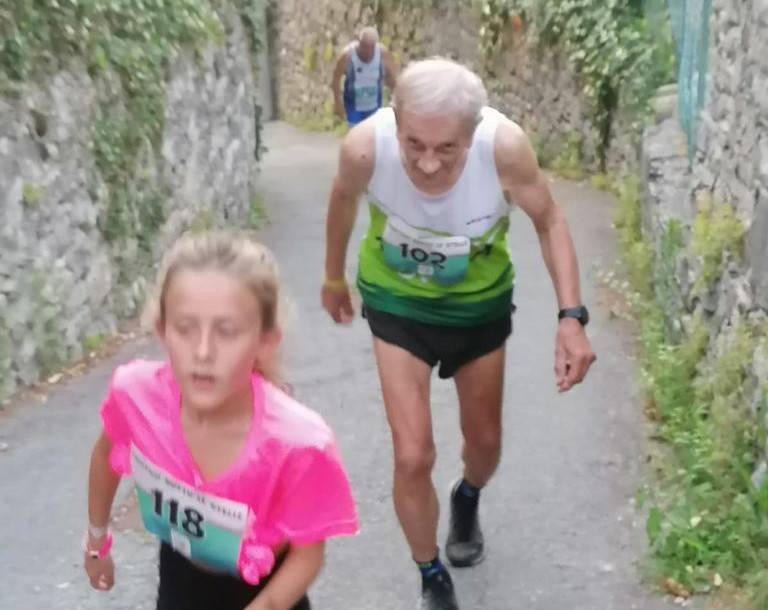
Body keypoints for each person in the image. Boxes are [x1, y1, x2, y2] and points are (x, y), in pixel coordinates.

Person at [321, 58, 596, 609]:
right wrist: (333, 276)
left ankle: (467, 494)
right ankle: (431, 574)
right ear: (395, 119)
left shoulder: (504, 148)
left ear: (473, 131)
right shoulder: (365, 148)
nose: (427, 163)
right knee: (412, 455)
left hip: (477, 309)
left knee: (485, 443)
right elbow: (343, 200)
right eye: (414, 144)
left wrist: (571, 317)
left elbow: (549, 220)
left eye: (447, 148)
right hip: (397, 304)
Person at [83, 231, 359, 610]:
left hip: (267, 592)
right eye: (185, 328)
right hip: (181, 578)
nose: (202, 352)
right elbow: (105, 457)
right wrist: (96, 541)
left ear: (265, 341)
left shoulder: (299, 444)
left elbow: (308, 553)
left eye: (227, 332)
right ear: (162, 330)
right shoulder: (135, 396)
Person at [331, 26, 398, 127]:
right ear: (359, 42)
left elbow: (393, 78)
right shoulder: (347, 55)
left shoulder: (383, 54)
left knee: (373, 133)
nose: (367, 51)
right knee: (356, 132)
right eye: (364, 47)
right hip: (353, 106)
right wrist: (337, 103)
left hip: (374, 105)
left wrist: (395, 100)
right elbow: (336, 79)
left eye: (370, 48)